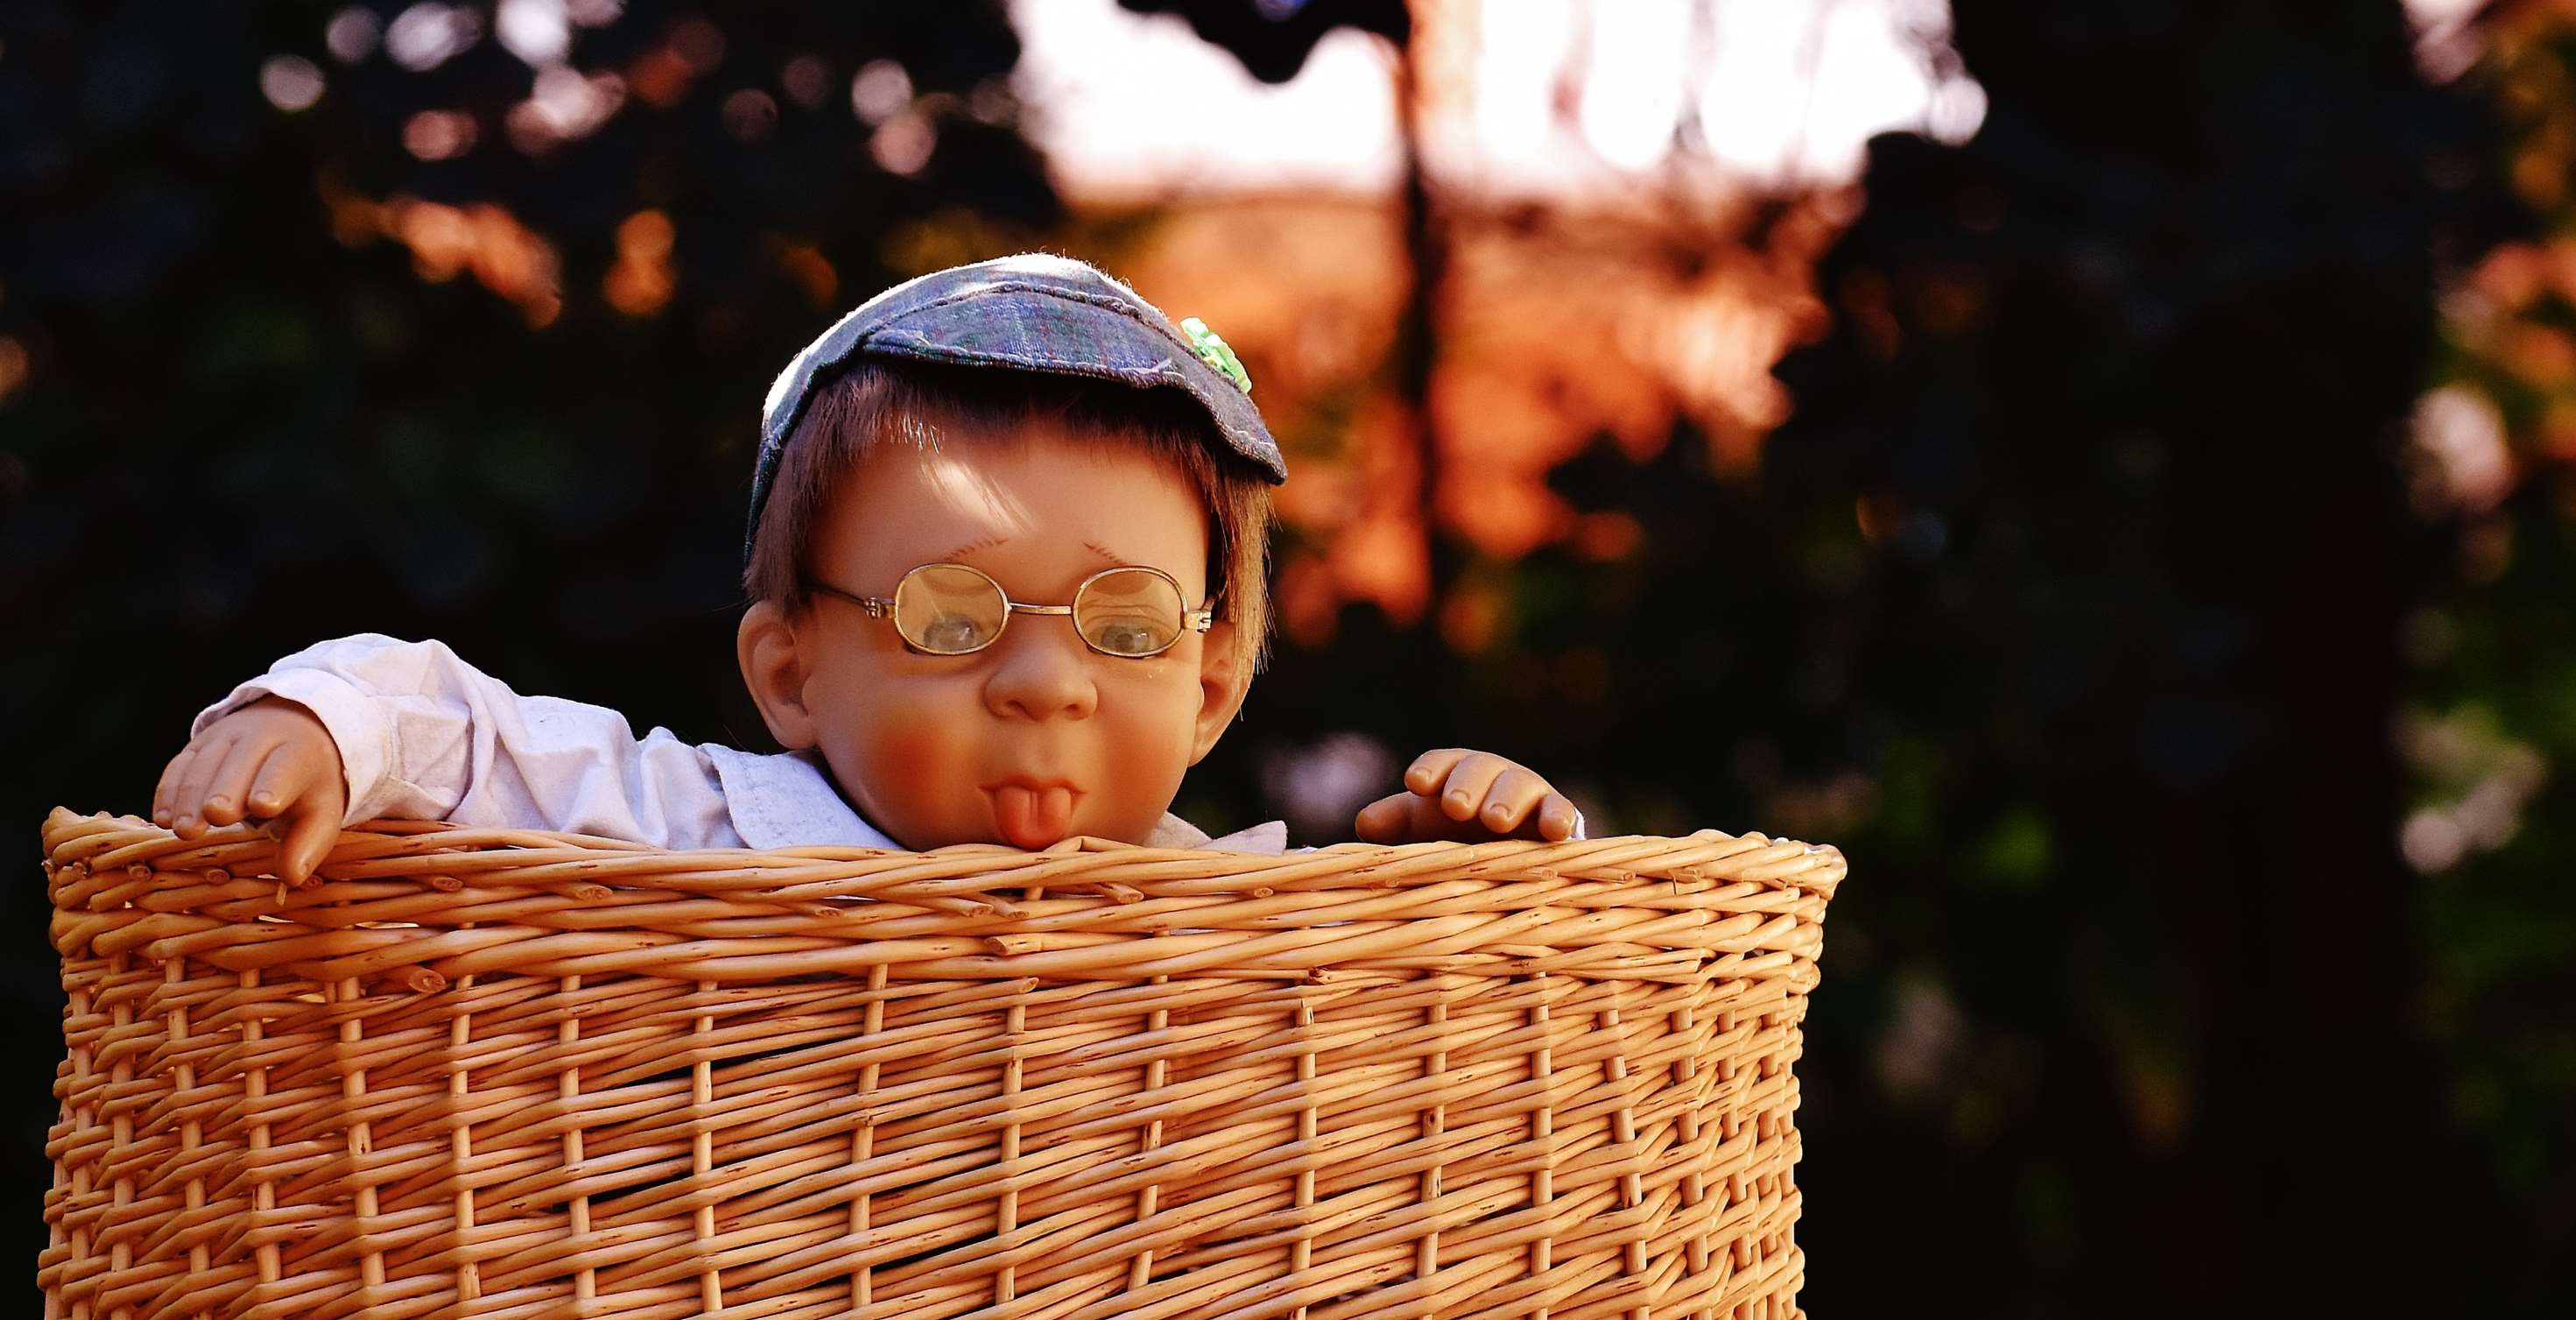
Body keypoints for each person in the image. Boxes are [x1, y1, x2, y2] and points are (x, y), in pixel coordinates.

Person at [149, 254, 1581, 879]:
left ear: (1210, 685)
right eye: (948, 617)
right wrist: (317, 724)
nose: (1043, 685)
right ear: (790, 671)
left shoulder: (1212, 906)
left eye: (1125, 629)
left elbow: (1395, 1011)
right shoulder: (708, 833)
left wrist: (1478, 866)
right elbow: (464, 738)